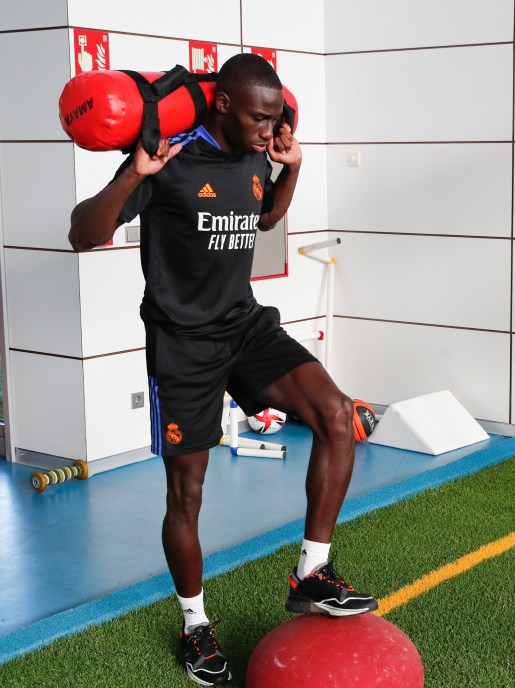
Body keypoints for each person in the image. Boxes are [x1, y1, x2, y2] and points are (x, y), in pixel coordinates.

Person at [69, 54, 376, 686]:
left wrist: (291, 169)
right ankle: (193, 623)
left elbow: (264, 217)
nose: (270, 130)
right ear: (224, 106)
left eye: (275, 119)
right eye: (260, 120)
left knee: (338, 417)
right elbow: (82, 233)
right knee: (187, 497)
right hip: (183, 347)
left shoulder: (254, 151)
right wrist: (134, 171)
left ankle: (312, 574)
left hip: (245, 326)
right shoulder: (170, 156)